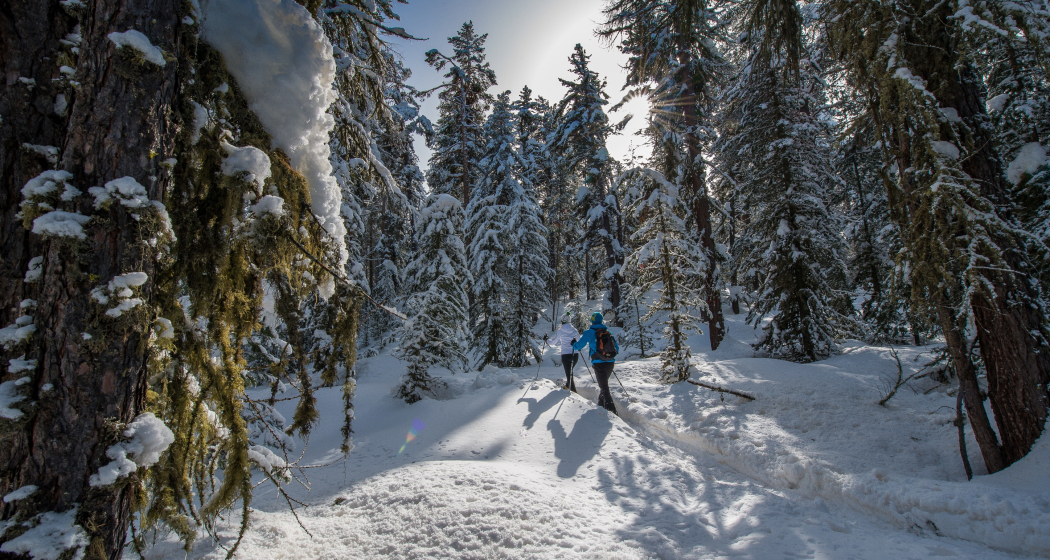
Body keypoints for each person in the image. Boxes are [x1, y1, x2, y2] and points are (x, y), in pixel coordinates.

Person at [572, 312, 620, 414]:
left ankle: (612, 412)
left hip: (599, 363)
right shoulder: (608, 331)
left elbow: (579, 346)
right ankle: (600, 406)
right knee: (603, 386)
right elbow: (617, 348)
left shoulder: (589, 332)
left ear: (593, 321)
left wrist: (574, 344)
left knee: (604, 387)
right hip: (610, 362)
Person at [547, 312, 580, 392]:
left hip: (566, 355)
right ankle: (567, 386)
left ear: (562, 321)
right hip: (575, 354)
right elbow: (579, 341)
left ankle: (573, 391)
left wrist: (546, 340)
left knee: (569, 374)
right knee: (570, 372)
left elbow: (553, 342)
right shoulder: (574, 330)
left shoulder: (561, 330)